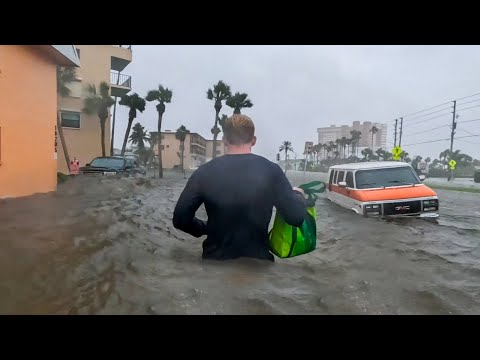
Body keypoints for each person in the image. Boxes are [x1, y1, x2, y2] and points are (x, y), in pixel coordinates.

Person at [172, 114, 307, 261]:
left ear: (224, 140)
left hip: (213, 266)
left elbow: (180, 219)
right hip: (258, 268)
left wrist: (205, 228)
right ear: (254, 140)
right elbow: (296, 217)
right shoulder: (271, 171)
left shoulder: (204, 172)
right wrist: (298, 196)